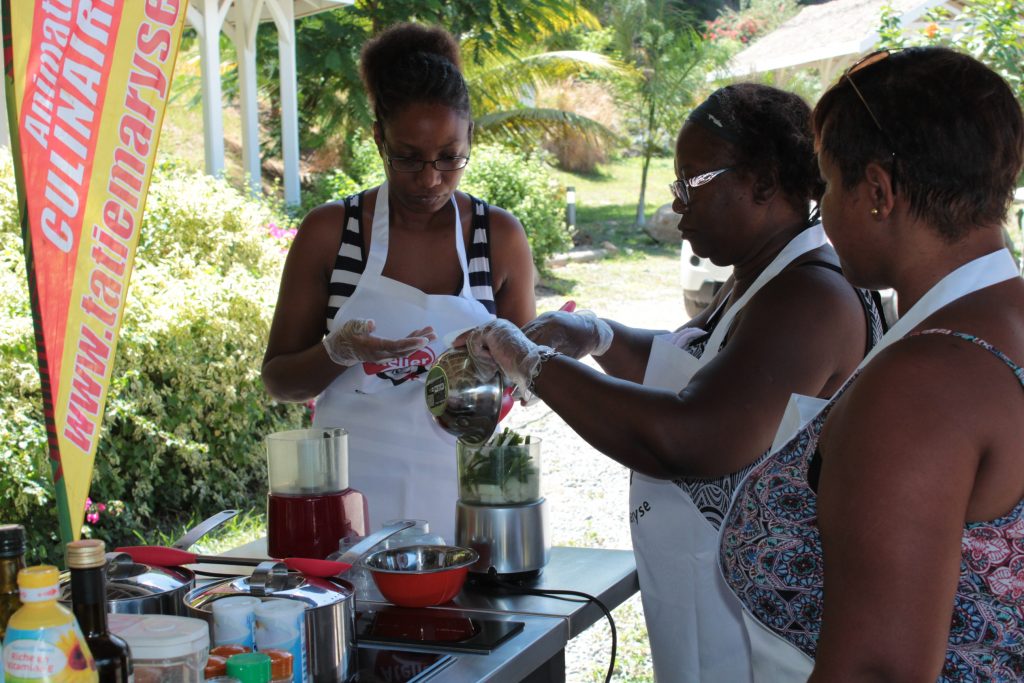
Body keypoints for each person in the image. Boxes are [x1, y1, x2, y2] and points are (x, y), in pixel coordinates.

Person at [461, 83, 884, 681]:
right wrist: (595, 334)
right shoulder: (760, 279)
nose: (678, 206)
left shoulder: (809, 297)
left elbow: (688, 437)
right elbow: (697, 367)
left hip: (759, 647)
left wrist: (530, 361)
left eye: (692, 184)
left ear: (762, 182)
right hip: (709, 609)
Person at [719, 47, 1024, 681]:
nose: (824, 210)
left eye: (829, 183)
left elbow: (876, 669)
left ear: (878, 191)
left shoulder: (922, 383)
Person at [262, 23, 536, 544]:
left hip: (467, 509)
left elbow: (531, 384)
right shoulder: (330, 233)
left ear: (470, 139)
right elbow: (280, 381)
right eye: (408, 157)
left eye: (450, 157)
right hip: (344, 512)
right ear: (377, 138)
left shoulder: (496, 237)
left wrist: (509, 362)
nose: (430, 178)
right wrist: (337, 352)